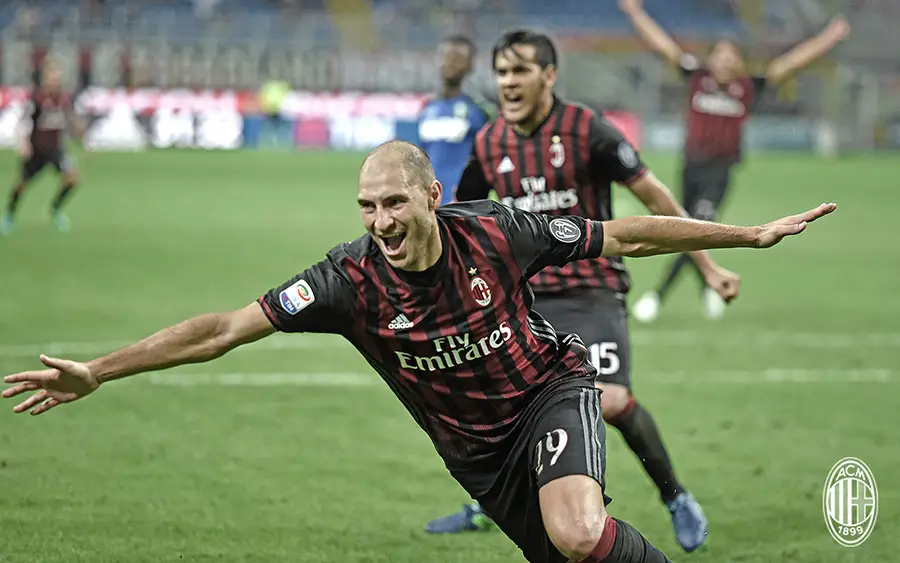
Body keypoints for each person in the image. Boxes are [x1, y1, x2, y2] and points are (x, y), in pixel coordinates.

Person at [2, 140, 836, 563]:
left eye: (394, 201)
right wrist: (99, 370)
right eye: (366, 205)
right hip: (478, 460)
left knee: (579, 534)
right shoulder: (346, 280)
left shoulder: (499, 231)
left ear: (433, 194)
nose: (379, 220)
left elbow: (624, 234)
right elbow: (222, 328)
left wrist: (745, 236)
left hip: (551, 389)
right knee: (575, 555)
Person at [428, 29, 734, 552]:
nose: (508, 82)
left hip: (592, 288)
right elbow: (463, 222)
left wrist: (705, 267)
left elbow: (654, 195)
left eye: (520, 70)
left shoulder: (586, 129)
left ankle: (675, 496)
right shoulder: (491, 142)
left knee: (610, 400)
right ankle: (489, 506)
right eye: (502, 72)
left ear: (549, 75)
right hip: (525, 300)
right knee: (505, 408)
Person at [619, 0, 850, 322]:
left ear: (739, 61)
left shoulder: (747, 87)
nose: (726, 60)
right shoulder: (697, 77)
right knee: (682, 228)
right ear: (711, 58)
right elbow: (663, 46)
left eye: (732, 55)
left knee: (695, 228)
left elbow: (792, 63)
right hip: (690, 167)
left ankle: (656, 297)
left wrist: (828, 39)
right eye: (721, 54)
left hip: (720, 171)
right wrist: (635, 13)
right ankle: (708, 286)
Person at [2, 59, 84, 235]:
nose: (55, 79)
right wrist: (23, 143)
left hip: (55, 149)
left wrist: (82, 140)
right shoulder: (37, 99)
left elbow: (70, 121)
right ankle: (9, 215)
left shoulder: (64, 99)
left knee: (72, 179)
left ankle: (55, 209)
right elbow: (23, 122)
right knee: (20, 185)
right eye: (52, 76)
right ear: (45, 78)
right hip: (37, 150)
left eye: (57, 76)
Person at [416, 35, 491, 205]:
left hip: (461, 208)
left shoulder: (480, 110)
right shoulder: (428, 107)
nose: (450, 62)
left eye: (458, 58)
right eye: (446, 56)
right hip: (427, 205)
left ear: (470, 65)